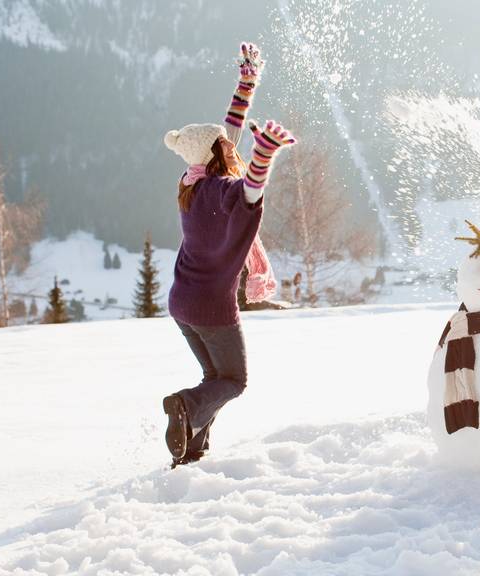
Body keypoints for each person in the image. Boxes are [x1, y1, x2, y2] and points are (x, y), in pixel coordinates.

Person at [161, 43, 296, 468]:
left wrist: (247, 82)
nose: (229, 141)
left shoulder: (193, 183)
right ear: (221, 153)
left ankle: (193, 448)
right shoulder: (224, 193)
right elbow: (251, 190)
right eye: (226, 144)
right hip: (211, 308)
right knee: (234, 381)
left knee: (214, 379)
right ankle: (184, 406)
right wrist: (266, 154)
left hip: (181, 303)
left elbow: (228, 132)